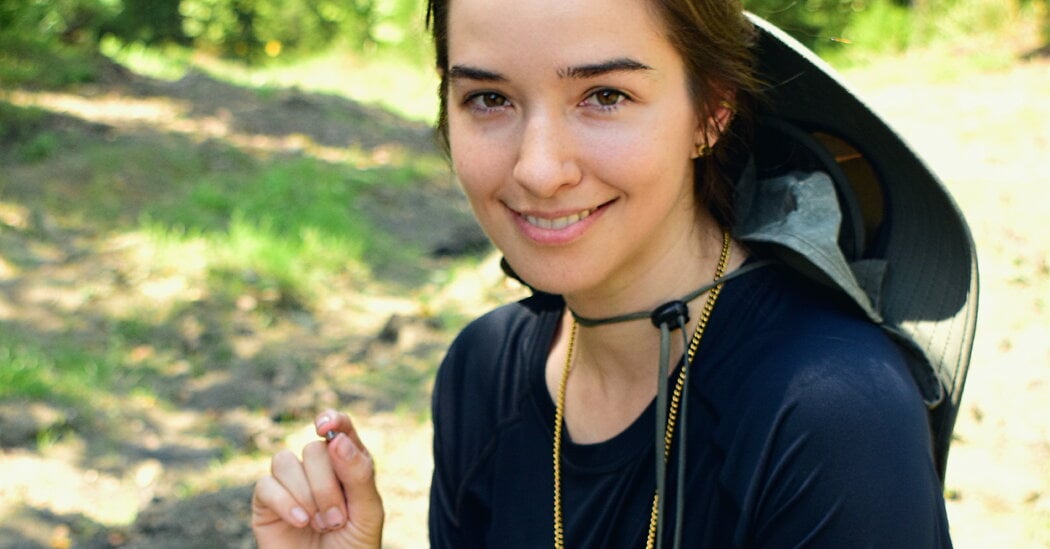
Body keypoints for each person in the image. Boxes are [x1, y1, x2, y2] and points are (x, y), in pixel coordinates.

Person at [252, 0, 979, 547]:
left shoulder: (830, 410)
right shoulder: (481, 374)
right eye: (489, 98)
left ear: (712, 110)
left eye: (605, 96)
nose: (538, 168)